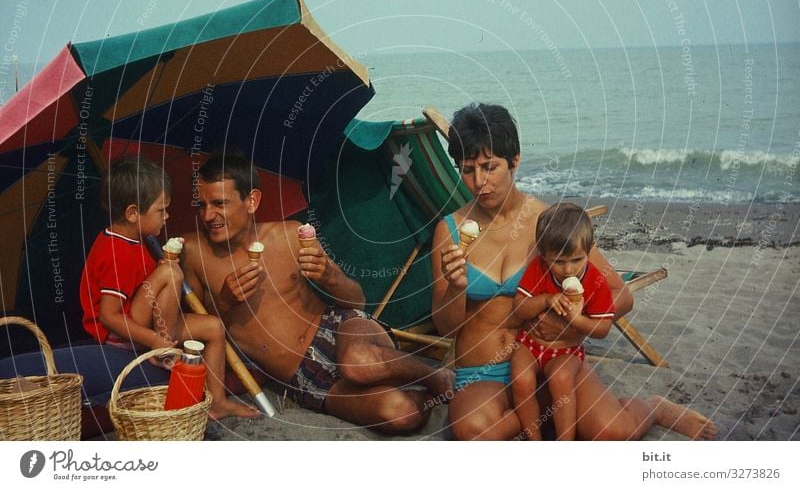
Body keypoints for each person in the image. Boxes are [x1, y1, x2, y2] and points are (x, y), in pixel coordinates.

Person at [432, 103, 717, 440]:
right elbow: (446, 326)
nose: (479, 182)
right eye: (467, 170)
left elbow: (621, 295)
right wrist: (455, 288)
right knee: (474, 431)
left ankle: (653, 406)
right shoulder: (450, 231)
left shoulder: (551, 225)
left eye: (489, 167)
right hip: (483, 374)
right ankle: (544, 418)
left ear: (515, 160)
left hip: (551, 362)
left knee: (615, 432)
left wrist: (574, 323)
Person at [181, 153, 453, 433]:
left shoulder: (289, 235)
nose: (207, 215)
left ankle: (436, 376)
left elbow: (356, 301)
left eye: (219, 204)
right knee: (402, 414)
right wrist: (225, 301)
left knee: (357, 362)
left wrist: (329, 277)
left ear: (252, 201)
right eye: (201, 205)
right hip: (301, 375)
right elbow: (196, 334)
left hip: (340, 328)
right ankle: (426, 393)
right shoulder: (193, 252)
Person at [79, 156, 259, 420]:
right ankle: (160, 352)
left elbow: (143, 289)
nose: (167, 216)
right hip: (123, 334)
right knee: (171, 272)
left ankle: (217, 403)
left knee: (213, 327)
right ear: (132, 214)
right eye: (160, 210)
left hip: (149, 322)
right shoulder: (116, 252)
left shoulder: (135, 240)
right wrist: (153, 340)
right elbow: (109, 315)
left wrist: (159, 269)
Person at [511, 202, 615, 440]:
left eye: (577, 259)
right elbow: (519, 308)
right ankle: (533, 437)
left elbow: (603, 329)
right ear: (543, 253)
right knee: (520, 378)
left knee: (561, 378)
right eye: (558, 261)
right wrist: (546, 299)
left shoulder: (595, 281)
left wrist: (575, 321)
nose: (568, 269)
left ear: (589, 250)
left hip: (566, 350)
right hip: (530, 344)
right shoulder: (538, 269)